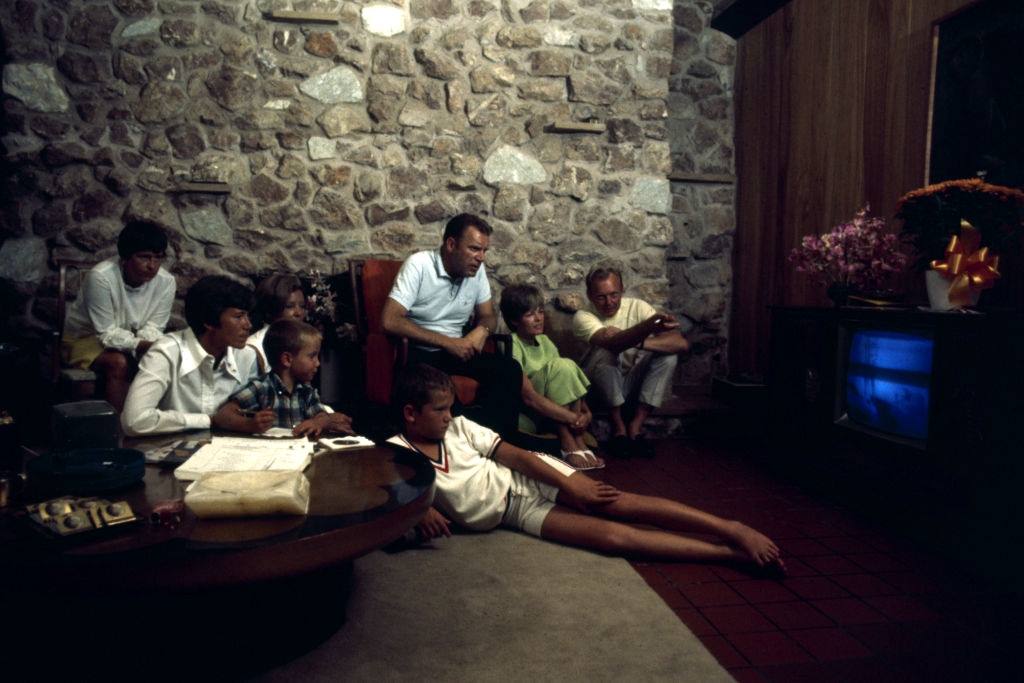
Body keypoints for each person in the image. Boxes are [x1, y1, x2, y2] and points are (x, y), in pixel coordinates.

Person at [386, 364, 784, 571]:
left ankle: (730, 529)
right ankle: (727, 554)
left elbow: (516, 456)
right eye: (439, 409)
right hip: (513, 512)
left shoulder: (458, 426)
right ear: (410, 413)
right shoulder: (394, 452)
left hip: (531, 475)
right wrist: (421, 509)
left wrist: (570, 484)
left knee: (621, 504)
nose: (449, 415)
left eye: (450, 406)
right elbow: (389, 494)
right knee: (614, 539)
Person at [381, 213, 524, 442]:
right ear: (451, 244)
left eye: (484, 251)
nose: (481, 258)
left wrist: (481, 331)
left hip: (458, 351)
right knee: (446, 399)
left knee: (509, 369)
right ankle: (462, 446)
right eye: (475, 249)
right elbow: (390, 320)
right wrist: (448, 343)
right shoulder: (419, 264)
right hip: (420, 354)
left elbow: (487, 315)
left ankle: (500, 442)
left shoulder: (475, 273)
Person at [573, 266, 690, 458]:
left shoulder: (638, 307)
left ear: (622, 290)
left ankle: (636, 426)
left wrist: (641, 340)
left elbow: (680, 344)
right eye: (601, 297)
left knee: (669, 355)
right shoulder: (583, 316)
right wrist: (648, 326)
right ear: (589, 295)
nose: (609, 302)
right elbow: (613, 344)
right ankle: (619, 428)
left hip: (631, 381)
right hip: (597, 387)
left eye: (614, 295)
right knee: (606, 351)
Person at [121, 275, 261, 436]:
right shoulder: (166, 352)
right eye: (238, 317)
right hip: (169, 449)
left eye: (247, 316)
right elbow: (134, 421)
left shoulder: (246, 356)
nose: (248, 325)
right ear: (209, 321)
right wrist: (210, 420)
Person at [62, 220, 175, 411]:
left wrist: (149, 346)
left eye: (158, 258)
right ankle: (118, 430)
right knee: (119, 362)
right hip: (84, 338)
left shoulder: (166, 281)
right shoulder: (101, 277)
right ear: (125, 258)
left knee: (160, 357)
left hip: (131, 340)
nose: (152, 266)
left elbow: (155, 327)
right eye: (144, 257)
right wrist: (141, 346)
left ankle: (148, 421)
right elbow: (106, 333)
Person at [499, 284, 603, 471]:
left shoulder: (545, 341)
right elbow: (528, 397)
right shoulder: (511, 344)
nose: (539, 319)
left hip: (554, 411)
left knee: (566, 364)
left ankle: (578, 439)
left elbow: (567, 379)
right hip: (529, 413)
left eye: (540, 312)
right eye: (530, 315)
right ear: (514, 320)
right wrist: (573, 418)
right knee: (560, 365)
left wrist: (585, 413)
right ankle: (568, 441)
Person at [223, 319, 354, 437]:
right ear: (287, 359)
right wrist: (250, 424)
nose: (318, 363)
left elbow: (321, 415)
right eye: (312, 356)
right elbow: (224, 415)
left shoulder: (306, 391)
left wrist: (318, 422)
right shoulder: (261, 388)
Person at [247, 274, 306, 373]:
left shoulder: (301, 341)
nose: (298, 313)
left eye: (302, 306)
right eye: (289, 306)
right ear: (272, 308)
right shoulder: (253, 348)